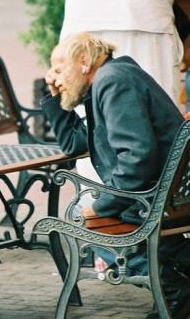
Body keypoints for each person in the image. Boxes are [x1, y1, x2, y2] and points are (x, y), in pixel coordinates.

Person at [42, 32, 190, 319]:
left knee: (82, 223)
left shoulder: (112, 81)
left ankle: (174, 291)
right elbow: (74, 144)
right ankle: (181, 270)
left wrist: (100, 208)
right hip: (170, 194)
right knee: (95, 218)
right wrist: (52, 95)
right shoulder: (113, 76)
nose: (54, 78)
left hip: (156, 198)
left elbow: (138, 159)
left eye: (59, 70)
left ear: (83, 61)